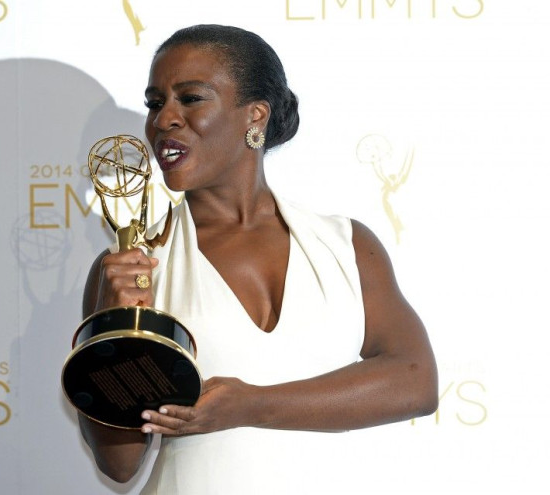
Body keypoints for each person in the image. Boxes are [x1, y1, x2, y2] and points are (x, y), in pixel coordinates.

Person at [78, 24, 438, 494]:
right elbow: (119, 464)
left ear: (256, 116)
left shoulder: (347, 245)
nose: (164, 118)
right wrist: (114, 324)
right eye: (154, 102)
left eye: (189, 98)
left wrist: (251, 404)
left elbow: (415, 382)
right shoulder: (133, 266)